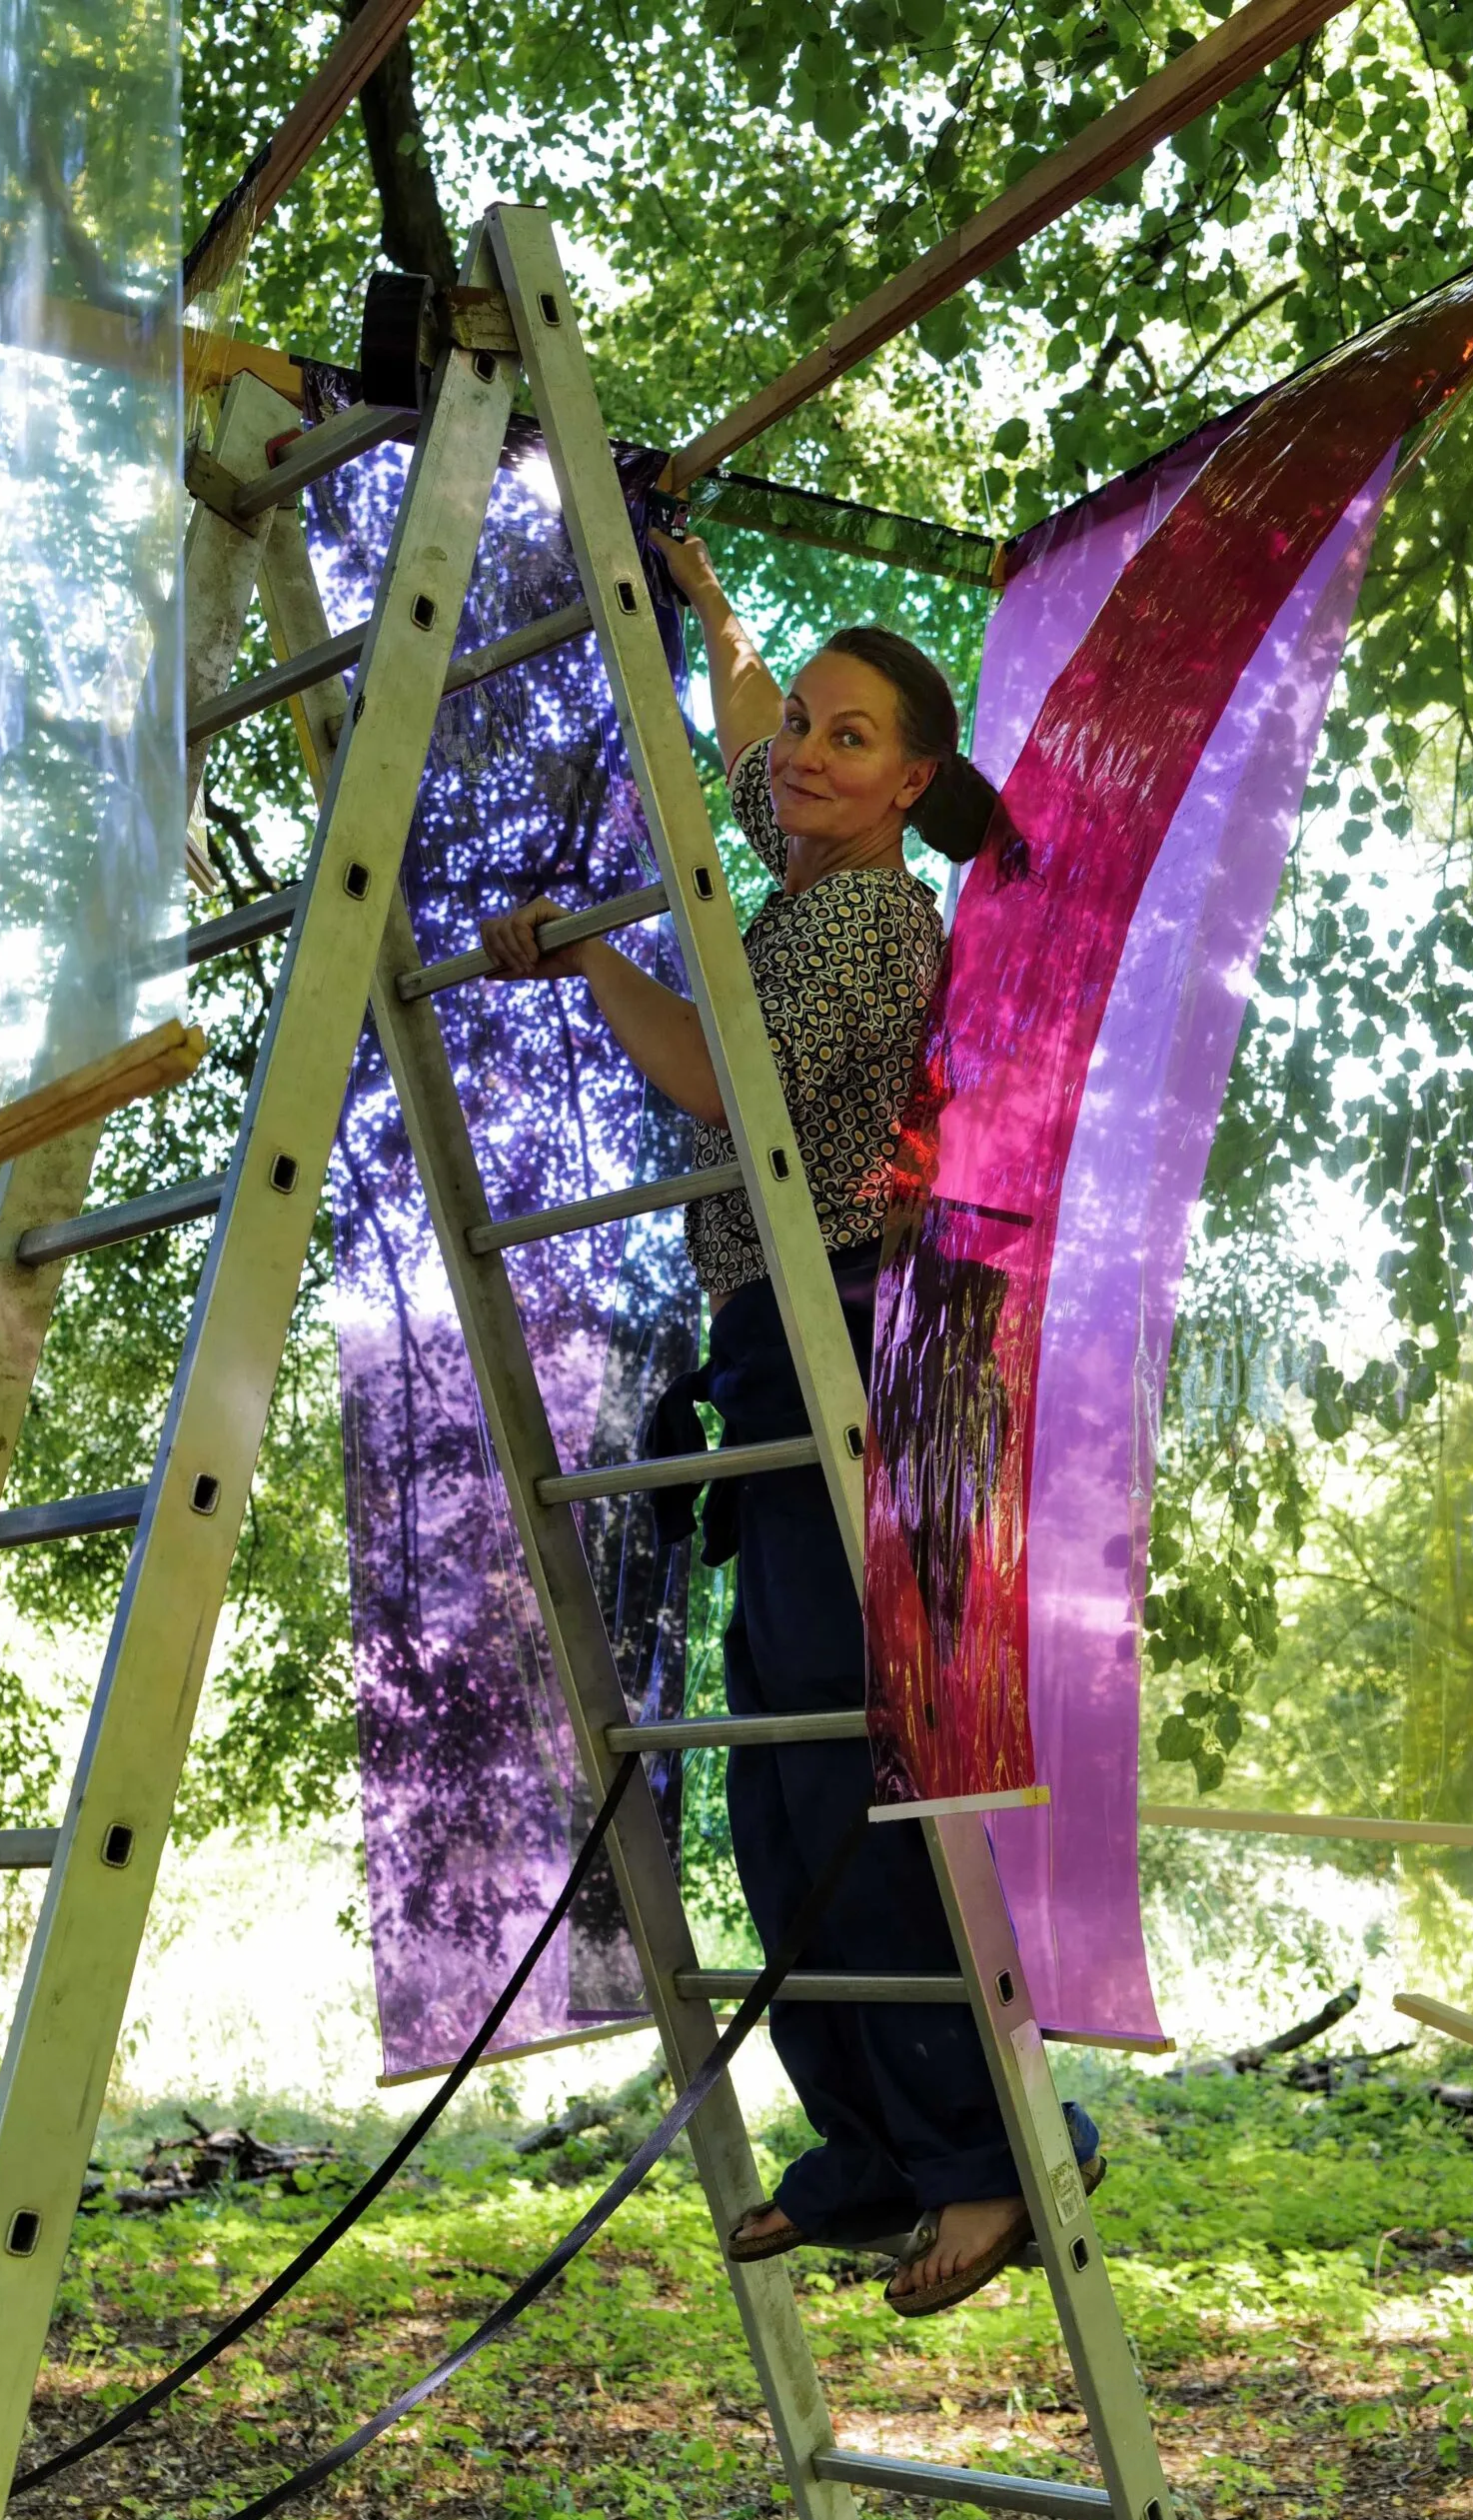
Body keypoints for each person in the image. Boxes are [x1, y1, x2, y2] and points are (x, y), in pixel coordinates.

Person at [479, 529, 1099, 2319]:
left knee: (842, 1759)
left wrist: (592, 964)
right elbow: (744, 723)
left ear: (913, 786)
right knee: (771, 1776)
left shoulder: (870, 920)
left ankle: (974, 2158)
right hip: (763, 1337)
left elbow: (710, 1076)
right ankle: (866, 2146)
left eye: (851, 742)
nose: (806, 758)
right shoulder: (800, 850)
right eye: (807, 734)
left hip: (837, 1329)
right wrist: (709, 604)